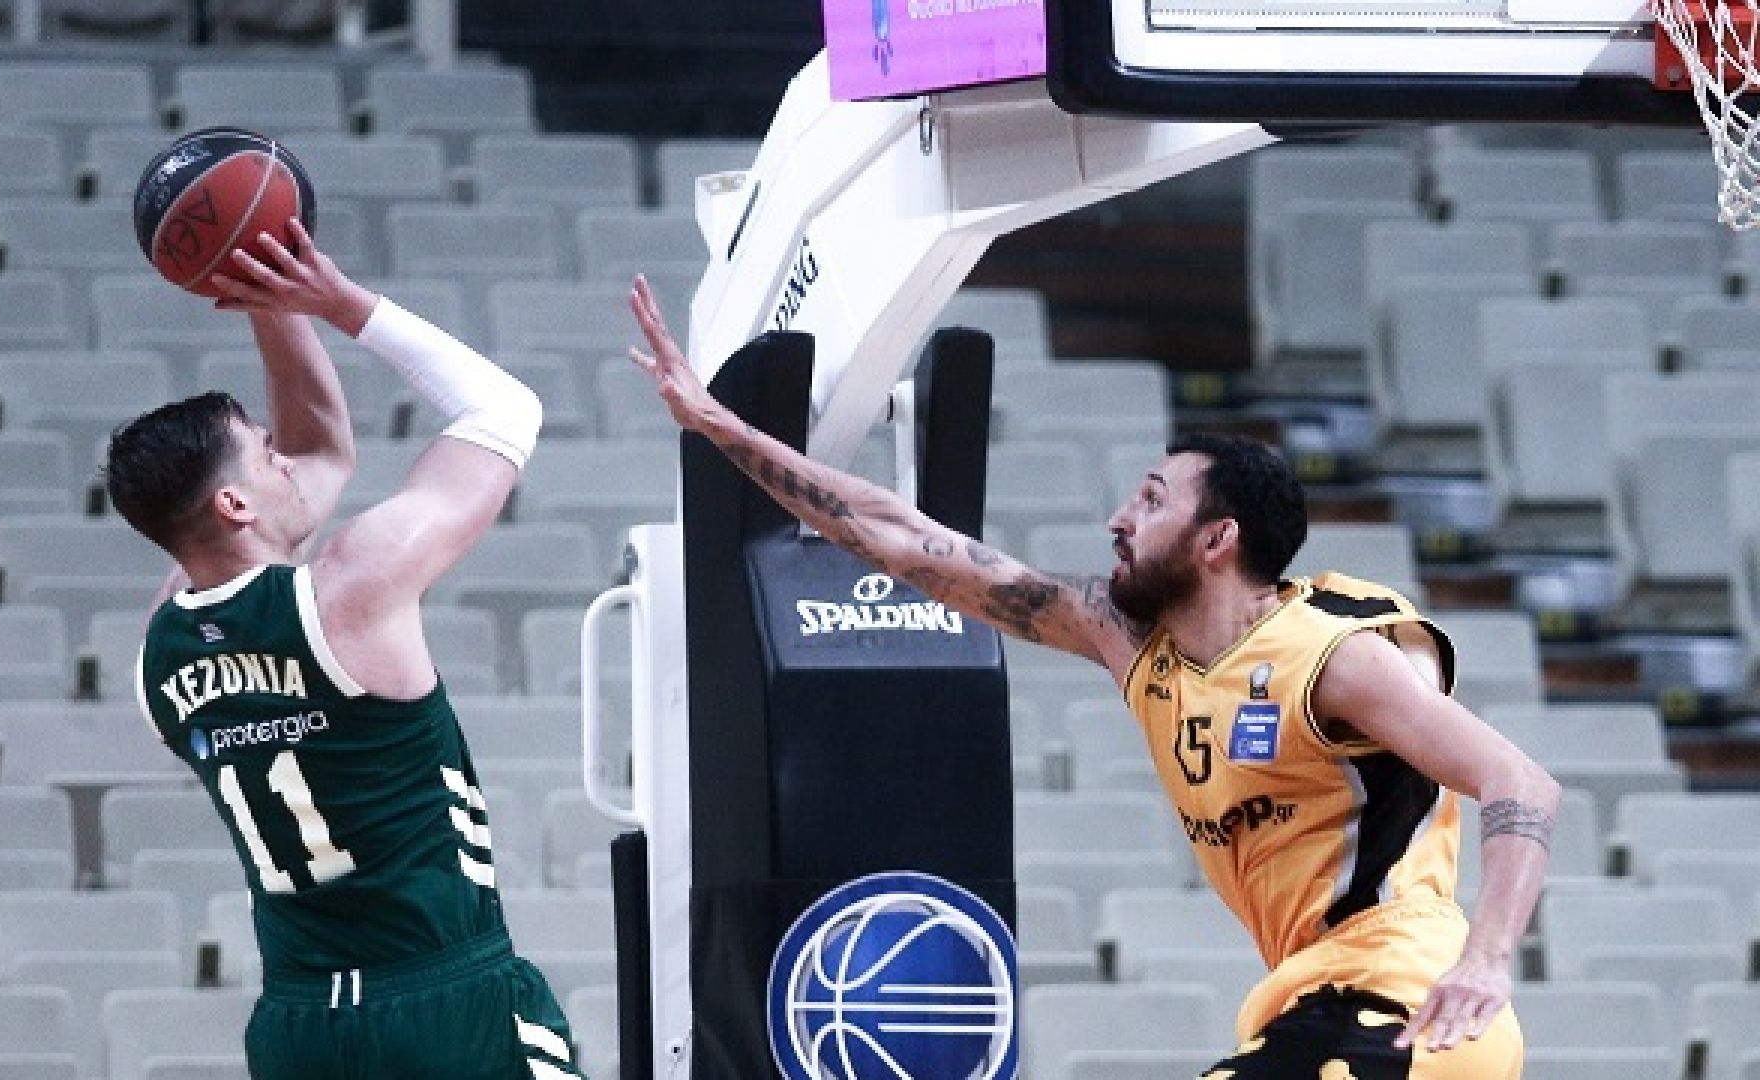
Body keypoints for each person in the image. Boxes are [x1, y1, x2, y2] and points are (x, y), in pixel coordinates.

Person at [625, 275, 1557, 1079]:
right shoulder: (1131, 644)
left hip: (1406, 1004)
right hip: (1311, 1004)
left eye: (1150, 500)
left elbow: (1520, 782)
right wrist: (719, 427)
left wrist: (1486, 960)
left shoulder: (1330, 654)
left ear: (1218, 540)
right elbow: (905, 541)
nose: (1118, 518)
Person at [107, 221, 580, 1080]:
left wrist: (271, 297)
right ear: (235, 505)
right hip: (444, 1004)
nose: (286, 461)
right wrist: (340, 303)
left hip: (300, 1030)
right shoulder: (350, 590)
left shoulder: (156, 654)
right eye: (265, 455)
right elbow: (506, 410)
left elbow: (320, 449)